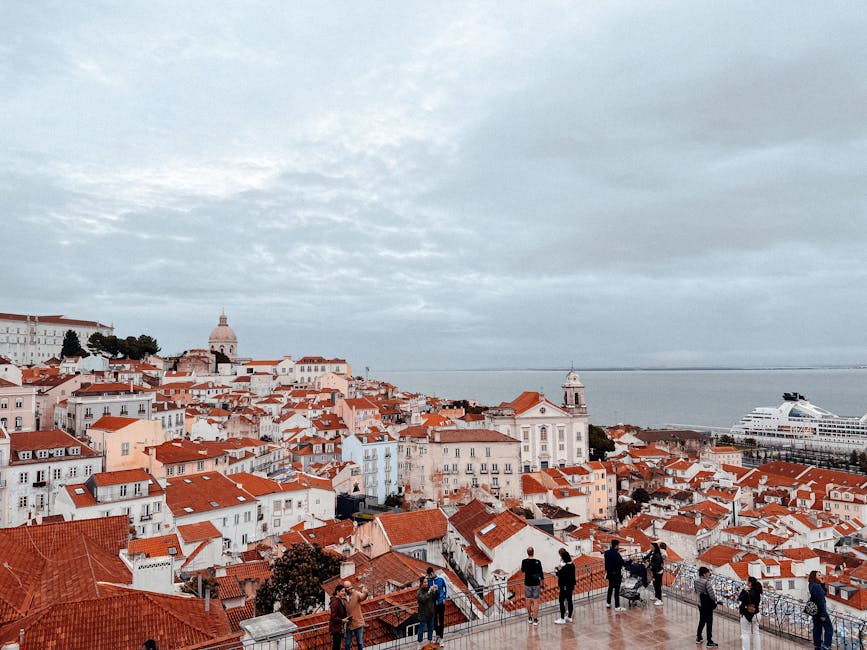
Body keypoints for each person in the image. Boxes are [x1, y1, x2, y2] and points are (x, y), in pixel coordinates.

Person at [694, 566, 719, 647]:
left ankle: (698, 637)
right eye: (708, 572)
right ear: (704, 574)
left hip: (700, 603)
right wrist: (715, 601)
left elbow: (696, 591)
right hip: (707, 605)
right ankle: (709, 641)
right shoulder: (706, 582)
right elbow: (711, 595)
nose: (709, 574)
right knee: (709, 622)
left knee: (702, 620)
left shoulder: (696, 581)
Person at [808, 570, 833, 650]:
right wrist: (823, 614)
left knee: (817, 627)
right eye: (819, 575)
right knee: (829, 628)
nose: (821, 576)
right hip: (820, 610)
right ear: (814, 576)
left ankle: (817, 646)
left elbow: (824, 593)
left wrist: (822, 583)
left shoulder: (811, 584)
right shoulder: (817, 586)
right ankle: (826, 646)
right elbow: (821, 600)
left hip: (814, 610)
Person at [738, 576, 762, 650]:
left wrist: (744, 590)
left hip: (747, 615)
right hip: (756, 614)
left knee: (745, 633)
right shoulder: (757, 591)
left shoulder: (748, 593)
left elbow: (740, 598)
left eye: (747, 581)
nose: (746, 582)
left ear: (750, 583)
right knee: (756, 633)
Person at [521, 546, 544, 625]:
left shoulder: (524, 561)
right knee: (536, 601)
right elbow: (541, 573)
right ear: (533, 552)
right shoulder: (538, 561)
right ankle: (535, 619)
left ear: (527, 553)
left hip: (527, 583)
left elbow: (523, 570)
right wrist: (542, 583)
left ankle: (529, 618)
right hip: (536, 583)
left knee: (528, 600)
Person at [344, 580, 370, 650]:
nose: (349, 588)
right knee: (347, 643)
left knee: (360, 642)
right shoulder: (344, 597)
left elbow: (363, 597)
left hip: (358, 623)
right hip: (349, 624)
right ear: (344, 588)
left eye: (350, 586)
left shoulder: (356, 594)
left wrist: (365, 593)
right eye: (347, 587)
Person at [554, 548, 576, 624]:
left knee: (561, 601)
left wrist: (556, 571)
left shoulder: (565, 568)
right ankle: (569, 617)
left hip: (564, 586)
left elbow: (561, 576)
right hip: (571, 586)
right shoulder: (572, 565)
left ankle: (562, 618)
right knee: (570, 600)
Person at [426, 566, 447, 644]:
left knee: (441, 620)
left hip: (441, 602)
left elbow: (446, 588)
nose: (429, 577)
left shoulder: (441, 579)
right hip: (433, 604)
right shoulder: (428, 580)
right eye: (428, 576)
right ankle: (437, 635)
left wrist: (445, 598)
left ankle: (441, 638)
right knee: (434, 621)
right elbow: (426, 591)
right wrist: (430, 589)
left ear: (432, 573)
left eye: (430, 575)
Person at [604, 539, 625, 611]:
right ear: (616, 546)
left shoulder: (606, 553)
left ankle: (608, 603)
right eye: (618, 545)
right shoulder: (616, 554)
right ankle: (617, 606)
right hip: (616, 574)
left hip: (610, 573)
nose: (619, 547)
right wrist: (631, 560)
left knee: (610, 588)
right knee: (616, 590)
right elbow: (623, 563)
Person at [416, 576, 438, 649]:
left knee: (430, 628)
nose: (426, 583)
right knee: (421, 630)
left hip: (431, 613)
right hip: (423, 614)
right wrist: (429, 592)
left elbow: (435, 596)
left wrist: (436, 590)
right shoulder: (419, 592)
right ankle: (419, 643)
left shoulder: (429, 589)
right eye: (425, 582)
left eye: (427, 582)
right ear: (421, 583)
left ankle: (429, 641)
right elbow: (423, 599)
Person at [329, 584, 348, 650]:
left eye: (344, 591)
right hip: (336, 628)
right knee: (336, 646)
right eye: (342, 591)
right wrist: (342, 620)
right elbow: (333, 617)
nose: (344, 592)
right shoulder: (335, 602)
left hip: (337, 627)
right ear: (337, 592)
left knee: (337, 645)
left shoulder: (338, 599)